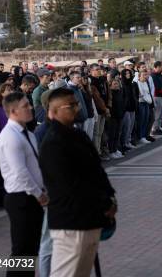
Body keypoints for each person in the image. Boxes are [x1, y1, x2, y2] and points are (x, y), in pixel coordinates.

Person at [39, 88, 117, 277]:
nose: (76, 109)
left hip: (90, 219)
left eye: (77, 104)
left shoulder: (78, 136)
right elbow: (69, 184)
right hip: (71, 221)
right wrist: (101, 201)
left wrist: (109, 198)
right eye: (71, 106)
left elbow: (97, 171)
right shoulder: (53, 142)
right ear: (54, 110)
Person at [0, 92, 47, 276]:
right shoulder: (10, 137)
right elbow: (20, 173)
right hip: (21, 198)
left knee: (30, 250)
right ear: (13, 111)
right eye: (25, 106)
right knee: (22, 251)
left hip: (31, 197)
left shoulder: (28, 134)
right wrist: (39, 194)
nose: (30, 108)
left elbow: (35, 166)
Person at [135, 69, 154, 144]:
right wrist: (148, 100)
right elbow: (141, 94)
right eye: (143, 75)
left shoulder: (146, 82)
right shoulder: (137, 83)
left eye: (146, 75)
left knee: (146, 120)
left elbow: (148, 93)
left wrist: (150, 102)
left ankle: (144, 136)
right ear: (139, 76)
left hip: (147, 103)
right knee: (141, 120)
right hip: (141, 103)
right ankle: (140, 137)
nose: (145, 77)